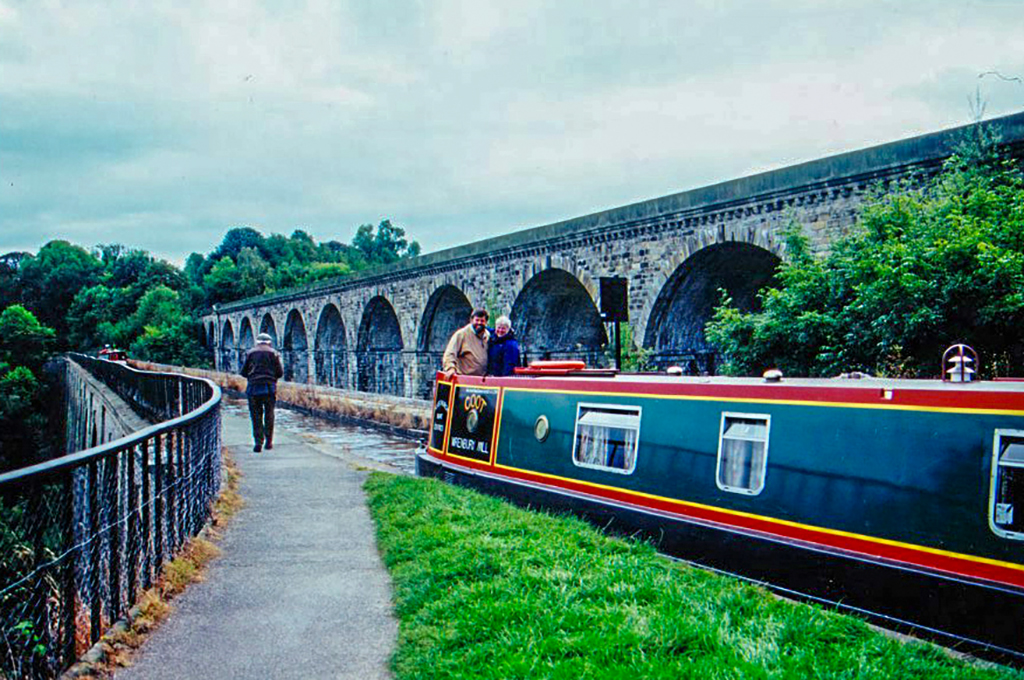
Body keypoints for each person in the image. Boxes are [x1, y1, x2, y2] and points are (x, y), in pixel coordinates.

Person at [240, 332, 284, 452]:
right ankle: (269, 442)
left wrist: (252, 376)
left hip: (253, 388)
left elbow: (243, 372)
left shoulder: (250, 353)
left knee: (256, 416)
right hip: (269, 388)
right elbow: (280, 373)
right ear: (269, 342)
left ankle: (258, 442)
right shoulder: (274, 353)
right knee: (269, 414)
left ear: (257, 342)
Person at [442, 309, 490, 378]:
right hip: (463, 378)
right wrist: (450, 368)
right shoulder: (461, 334)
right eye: (477, 320)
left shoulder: (487, 335)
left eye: (482, 321)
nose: (479, 323)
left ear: (486, 322)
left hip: (481, 379)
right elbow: (450, 353)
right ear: (471, 320)